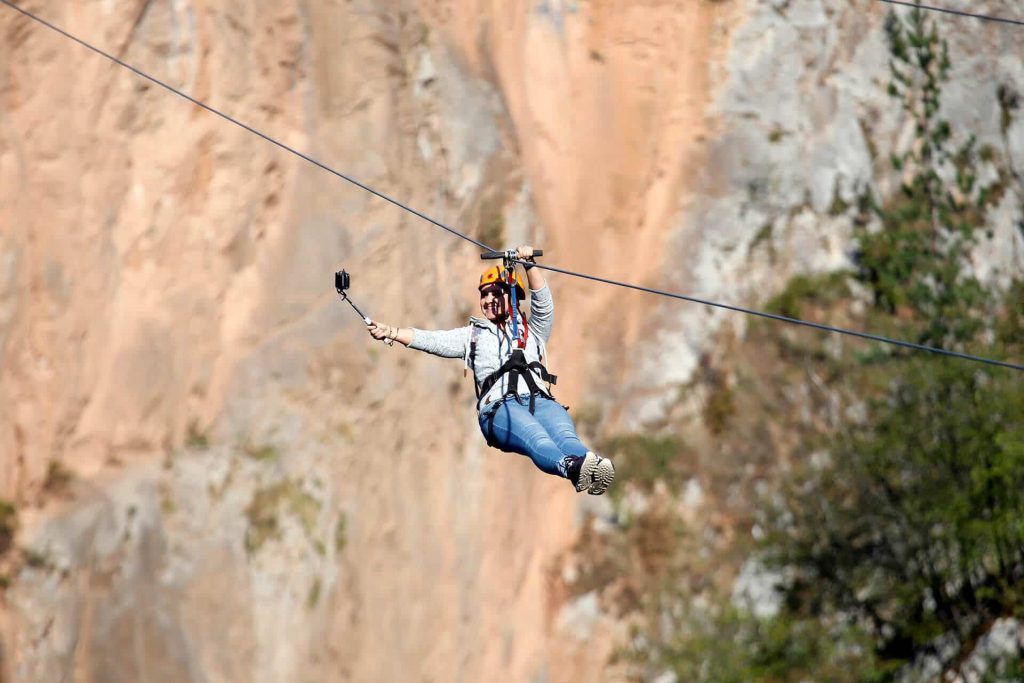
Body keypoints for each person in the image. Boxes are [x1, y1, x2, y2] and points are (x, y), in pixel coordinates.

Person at [367, 245, 615, 495]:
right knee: (537, 437)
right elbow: (433, 340)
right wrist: (392, 332)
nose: (487, 301)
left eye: (495, 293)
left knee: (567, 437)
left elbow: (543, 303)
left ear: (513, 296)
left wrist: (529, 265)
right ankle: (570, 467)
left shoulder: (533, 331)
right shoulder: (473, 335)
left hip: (540, 401)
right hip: (500, 409)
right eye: (483, 295)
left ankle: (589, 467)